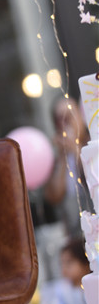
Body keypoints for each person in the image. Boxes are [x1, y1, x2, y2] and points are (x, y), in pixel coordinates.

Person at [45, 94, 92, 236]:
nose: (65, 122)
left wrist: (76, 151)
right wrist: (63, 157)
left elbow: (93, 177)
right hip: (75, 234)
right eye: (60, 118)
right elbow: (54, 197)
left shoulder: (93, 143)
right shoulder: (56, 157)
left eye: (69, 115)